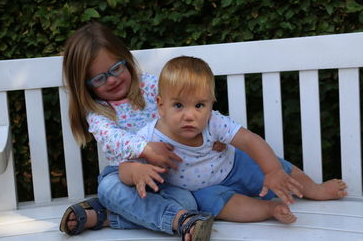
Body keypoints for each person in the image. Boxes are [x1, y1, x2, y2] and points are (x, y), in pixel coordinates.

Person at [120, 56, 348, 224]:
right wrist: (135, 172)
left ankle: (315, 189)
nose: (189, 115)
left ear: (211, 104)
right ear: (161, 105)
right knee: (218, 206)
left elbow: (250, 141)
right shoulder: (149, 137)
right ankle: (269, 209)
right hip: (202, 190)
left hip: (234, 166)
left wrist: (272, 171)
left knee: (276, 167)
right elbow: (124, 168)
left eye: (199, 105)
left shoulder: (213, 122)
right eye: (178, 105)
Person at [59, 22, 215, 241]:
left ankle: (104, 216)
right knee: (108, 189)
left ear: (126, 59)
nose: (112, 79)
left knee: (189, 201)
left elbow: (185, 105)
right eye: (99, 78)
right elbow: (114, 139)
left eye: (116, 68)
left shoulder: (151, 87)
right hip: (124, 176)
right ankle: (181, 221)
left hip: (165, 176)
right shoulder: (97, 112)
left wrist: (211, 135)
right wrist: (145, 149)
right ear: (85, 85)